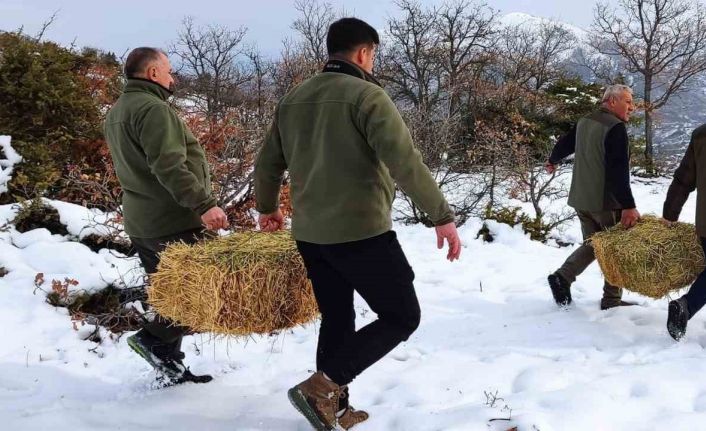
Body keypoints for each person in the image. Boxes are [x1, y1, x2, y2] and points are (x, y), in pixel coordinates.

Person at [254, 17, 461, 431]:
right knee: (402, 315)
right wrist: (441, 215)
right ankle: (323, 386)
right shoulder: (367, 96)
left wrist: (268, 207)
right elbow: (405, 161)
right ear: (365, 53)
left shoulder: (294, 98)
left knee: (337, 316)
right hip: (361, 231)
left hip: (310, 234)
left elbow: (267, 162)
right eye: (374, 55)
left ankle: (334, 406)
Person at [104, 47, 228, 385]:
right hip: (174, 222)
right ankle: (153, 339)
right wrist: (205, 204)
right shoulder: (154, 110)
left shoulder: (117, 111)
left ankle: (170, 365)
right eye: (169, 71)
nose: (173, 78)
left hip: (143, 223)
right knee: (202, 290)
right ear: (153, 73)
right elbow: (169, 167)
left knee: (171, 293)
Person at [545, 84, 640, 310]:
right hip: (606, 202)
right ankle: (611, 300)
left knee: (595, 245)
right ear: (612, 101)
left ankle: (563, 277)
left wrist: (553, 159)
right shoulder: (615, 127)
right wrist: (628, 206)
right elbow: (618, 171)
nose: (632, 107)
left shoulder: (586, 120)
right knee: (614, 248)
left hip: (581, 198)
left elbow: (565, 143)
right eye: (627, 102)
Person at [662, 124, 706, 340]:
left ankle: (685, 307)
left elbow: (683, 179)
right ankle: (685, 306)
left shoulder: (701, 134)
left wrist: (670, 213)